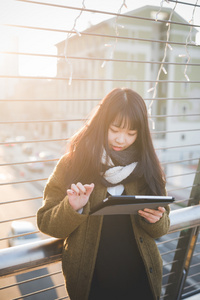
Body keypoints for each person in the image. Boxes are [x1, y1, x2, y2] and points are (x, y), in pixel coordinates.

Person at [37, 88, 170, 300]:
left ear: (141, 133)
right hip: (92, 285)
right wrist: (72, 207)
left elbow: (162, 228)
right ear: (102, 124)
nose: (121, 139)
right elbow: (46, 222)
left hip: (141, 281)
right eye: (115, 129)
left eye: (131, 133)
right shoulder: (72, 164)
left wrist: (156, 220)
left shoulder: (147, 167)